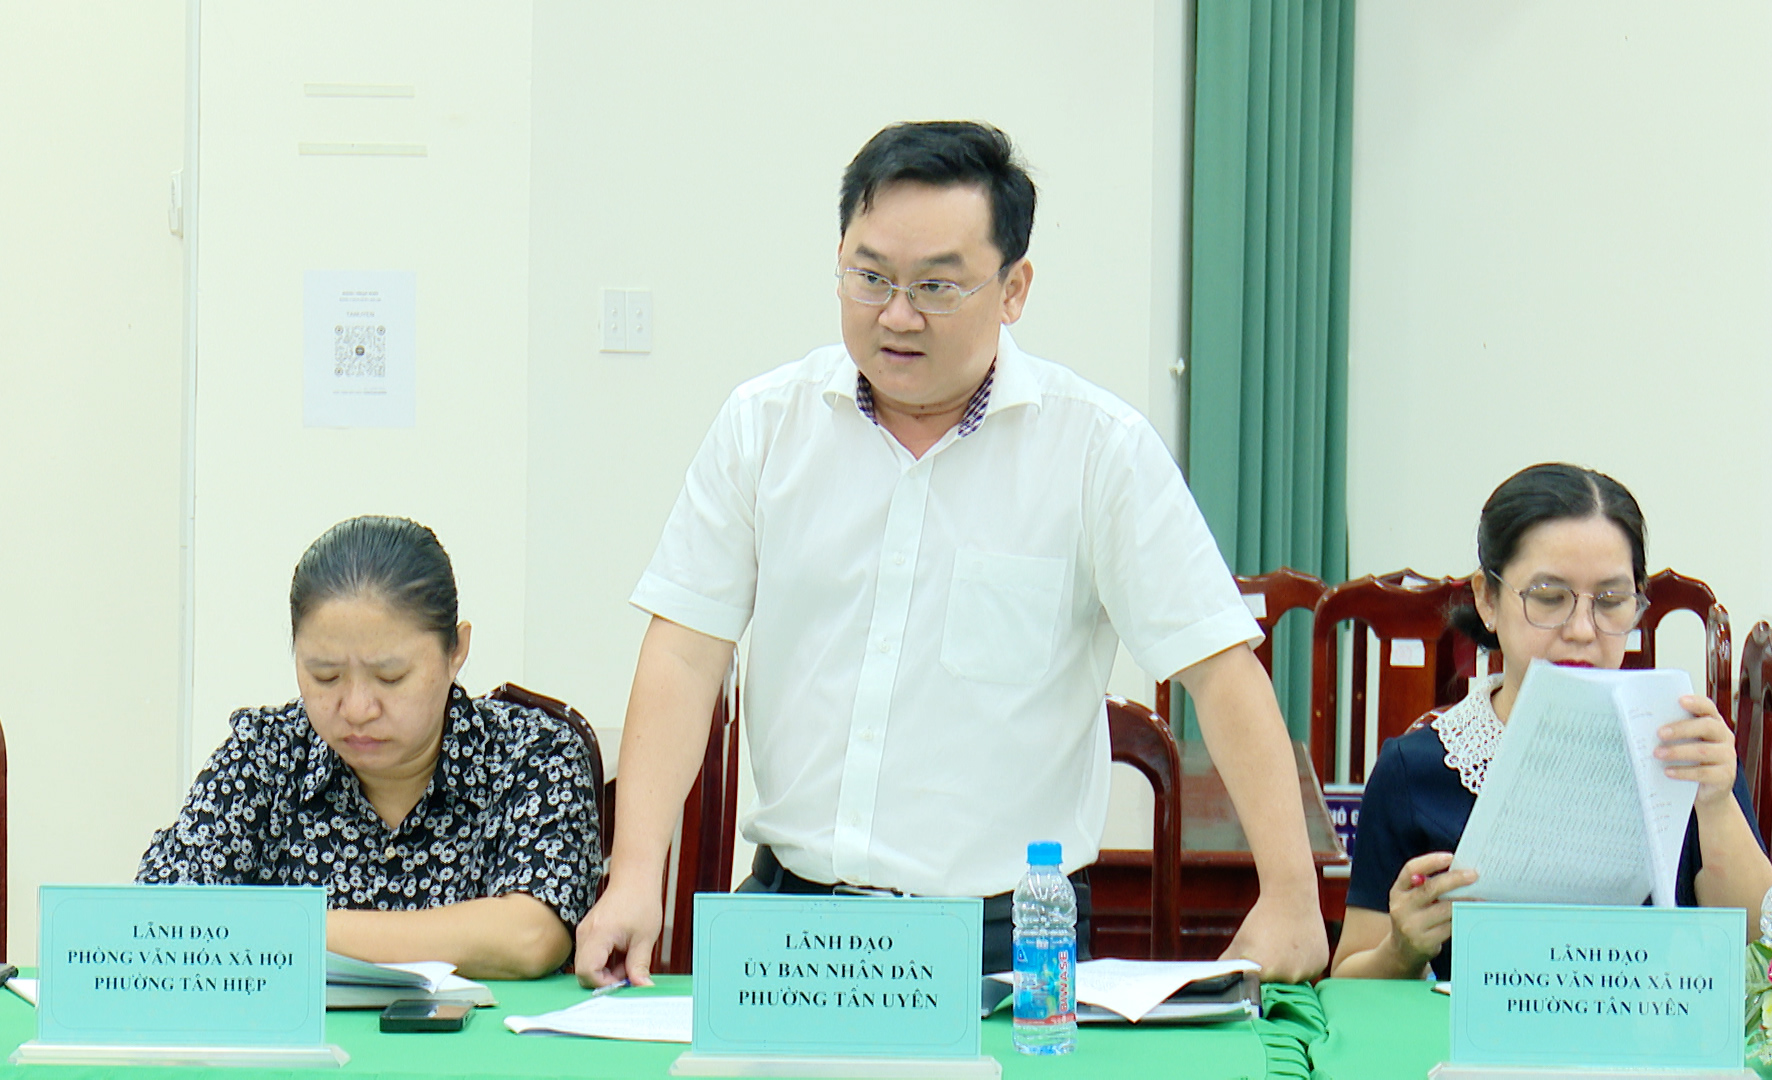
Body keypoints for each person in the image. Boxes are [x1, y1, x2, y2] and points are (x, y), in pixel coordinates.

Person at [573, 120, 1326, 985]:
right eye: (871, 277)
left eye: (936, 286)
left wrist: (1290, 895)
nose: (897, 315)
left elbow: (1219, 671)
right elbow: (686, 650)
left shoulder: (1097, 451)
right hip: (793, 924)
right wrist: (636, 875)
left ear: (1013, 289)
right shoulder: (765, 425)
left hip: (1003, 941)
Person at [1329, 463, 1772, 980]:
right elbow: (1349, 982)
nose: (1582, 630)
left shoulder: (1683, 747)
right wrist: (1401, 949)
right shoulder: (1416, 770)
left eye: (1611, 601)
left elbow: (1769, 949)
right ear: (1487, 598)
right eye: (1548, 597)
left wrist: (1715, 802)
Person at [138, 516, 603, 980]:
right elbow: (160, 917)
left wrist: (277, 930)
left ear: (456, 651)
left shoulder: (533, 754)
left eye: (390, 677)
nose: (358, 708)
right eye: (325, 676)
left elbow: (531, 937)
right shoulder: (265, 757)